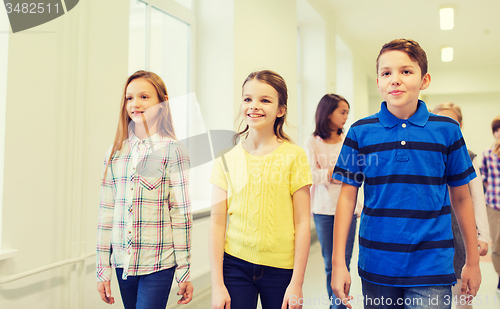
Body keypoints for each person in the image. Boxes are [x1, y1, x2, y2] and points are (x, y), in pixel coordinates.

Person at [330, 39, 481, 309]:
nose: (395, 79)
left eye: (406, 71)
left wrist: (472, 260)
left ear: (425, 80)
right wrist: (339, 263)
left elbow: (461, 198)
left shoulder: (447, 130)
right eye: (386, 73)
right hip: (377, 262)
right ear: (378, 82)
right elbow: (346, 198)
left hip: (432, 264)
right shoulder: (359, 132)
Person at [209, 70, 312, 309]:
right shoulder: (226, 158)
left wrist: (297, 283)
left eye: (265, 100)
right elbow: (216, 223)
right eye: (248, 99)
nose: (254, 106)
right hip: (235, 267)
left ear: (280, 110)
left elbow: (303, 223)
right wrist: (217, 285)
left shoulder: (294, 156)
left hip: (282, 271)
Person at [96, 70, 193, 308]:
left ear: (161, 103)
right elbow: (106, 213)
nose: (135, 104)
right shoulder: (114, 152)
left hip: (158, 262)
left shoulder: (173, 151)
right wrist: (102, 268)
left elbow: (180, 216)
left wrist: (184, 270)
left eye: (144, 97)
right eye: (129, 98)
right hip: (122, 262)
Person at [304, 94, 361, 309]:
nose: (347, 117)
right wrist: (334, 174)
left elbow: (357, 173)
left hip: (350, 210)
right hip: (324, 211)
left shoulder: (350, 140)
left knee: (344, 263)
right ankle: (336, 305)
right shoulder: (312, 141)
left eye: (347, 112)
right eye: (343, 112)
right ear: (328, 113)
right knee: (331, 264)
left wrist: (330, 173)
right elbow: (309, 174)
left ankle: (339, 305)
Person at [432, 102, 490, 309]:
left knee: (463, 293)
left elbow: (475, 198)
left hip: (460, 229)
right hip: (434, 229)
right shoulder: (428, 153)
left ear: (460, 125)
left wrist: (483, 235)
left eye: (452, 122)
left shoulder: (469, 156)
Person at [481, 116, 500, 299]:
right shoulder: (487, 154)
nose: (499, 133)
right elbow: (483, 179)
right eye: (497, 129)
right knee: (496, 246)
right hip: (494, 205)